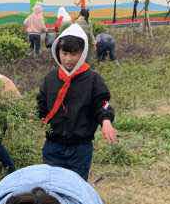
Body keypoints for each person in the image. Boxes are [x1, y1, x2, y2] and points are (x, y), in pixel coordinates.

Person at [37, 24, 117, 181]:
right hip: (53, 146)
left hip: (80, 148)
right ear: (58, 52)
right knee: (52, 187)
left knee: (76, 186)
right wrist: (41, 116)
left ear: (82, 53)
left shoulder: (93, 79)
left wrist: (106, 120)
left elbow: (103, 103)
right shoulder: (51, 78)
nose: (68, 59)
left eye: (74, 54)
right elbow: (41, 101)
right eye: (64, 53)